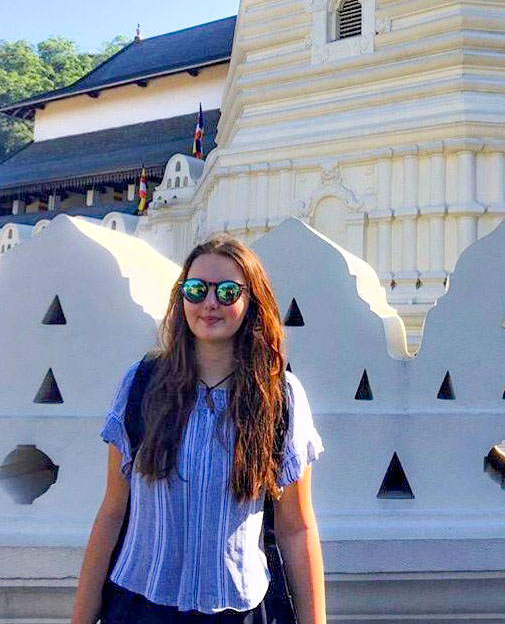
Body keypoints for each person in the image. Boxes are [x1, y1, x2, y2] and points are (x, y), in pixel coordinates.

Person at [71, 234, 326, 624]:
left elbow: (296, 528)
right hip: (140, 607)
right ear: (181, 297)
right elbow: (112, 512)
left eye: (227, 292)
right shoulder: (143, 385)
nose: (209, 303)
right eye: (196, 289)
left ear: (251, 301)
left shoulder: (279, 398)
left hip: (237, 610)